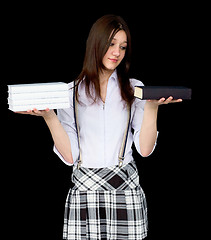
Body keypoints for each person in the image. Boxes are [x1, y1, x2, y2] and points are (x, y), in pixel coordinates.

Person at [16, 14, 182, 240]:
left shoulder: (135, 89)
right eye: (111, 44)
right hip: (85, 192)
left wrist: (152, 108)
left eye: (123, 47)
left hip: (126, 190)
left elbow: (145, 150)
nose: (117, 53)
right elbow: (70, 157)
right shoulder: (71, 92)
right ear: (96, 43)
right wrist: (49, 118)